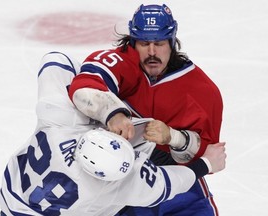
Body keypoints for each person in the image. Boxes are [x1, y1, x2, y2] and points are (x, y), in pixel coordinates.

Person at [0, 52, 226, 216]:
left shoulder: (61, 122)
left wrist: (105, 108)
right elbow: (168, 184)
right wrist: (205, 164)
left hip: (13, 198)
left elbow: (55, 59)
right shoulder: (116, 186)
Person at [68, 4, 224, 215]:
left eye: (159, 43)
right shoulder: (120, 63)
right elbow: (85, 86)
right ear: (133, 43)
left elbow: (208, 154)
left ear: (171, 42)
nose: (152, 52)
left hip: (178, 185)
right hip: (120, 181)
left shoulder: (202, 91)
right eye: (144, 43)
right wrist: (113, 113)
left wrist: (173, 137)